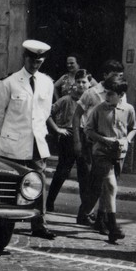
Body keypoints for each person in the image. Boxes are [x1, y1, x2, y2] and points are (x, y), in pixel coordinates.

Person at [0, 39, 55, 239]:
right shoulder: (9, 82)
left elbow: (44, 112)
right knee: (11, 181)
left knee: (39, 181)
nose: (35, 65)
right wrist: (11, 132)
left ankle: (39, 224)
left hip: (36, 141)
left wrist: (35, 132)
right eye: (32, 60)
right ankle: (7, 220)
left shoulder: (47, 82)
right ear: (24, 58)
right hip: (14, 141)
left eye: (39, 62)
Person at [82, 74, 136, 243]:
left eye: (111, 94)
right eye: (106, 93)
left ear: (121, 95)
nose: (107, 96)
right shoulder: (98, 109)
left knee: (107, 189)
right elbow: (88, 130)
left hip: (119, 155)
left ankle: (101, 221)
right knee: (111, 186)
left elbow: (133, 128)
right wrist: (104, 140)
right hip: (101, 154)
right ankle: (113, 226)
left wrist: (126, 140)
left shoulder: (128, 109)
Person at [72, 59, 126, 229]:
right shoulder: (92, 93)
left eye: (120, 76)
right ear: (105, 76)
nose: (118, 79)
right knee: (96, 182)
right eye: (115, 75)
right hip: (92, 142)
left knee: (108, 183)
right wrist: (77, 140)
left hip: (113, 145)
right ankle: (87, 213)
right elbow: (77, 115)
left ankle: (100, 218)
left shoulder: (120, 91)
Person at [45, 69, 92, 216]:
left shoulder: (92, 100)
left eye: (84, 82)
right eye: (78, 82)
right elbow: (47, 113)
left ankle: (85, 209)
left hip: (86, 137)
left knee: (84, 173)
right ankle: (49, 203)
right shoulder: (66, 99)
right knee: (62, 171)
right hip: (69, 136)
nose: (81, 85)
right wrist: (57, 129)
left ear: (90, 84)